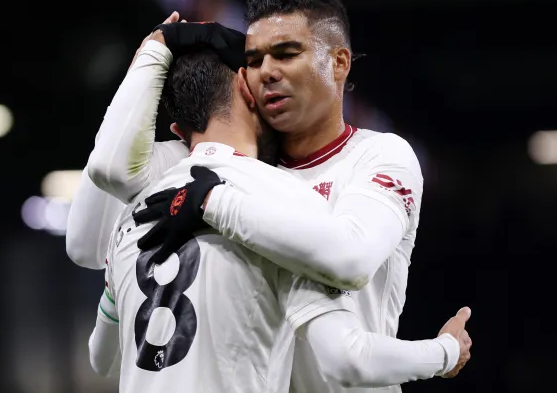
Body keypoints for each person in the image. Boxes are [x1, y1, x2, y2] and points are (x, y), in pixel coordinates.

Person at [83, 22, 468, 392]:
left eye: (284, 55)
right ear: (244, 88)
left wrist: (155, 48)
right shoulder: (283, 199)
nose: (268, 74)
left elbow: (101, 358)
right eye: (255, 64)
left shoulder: (136, 212)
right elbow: (347, 358)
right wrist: (446, 352)